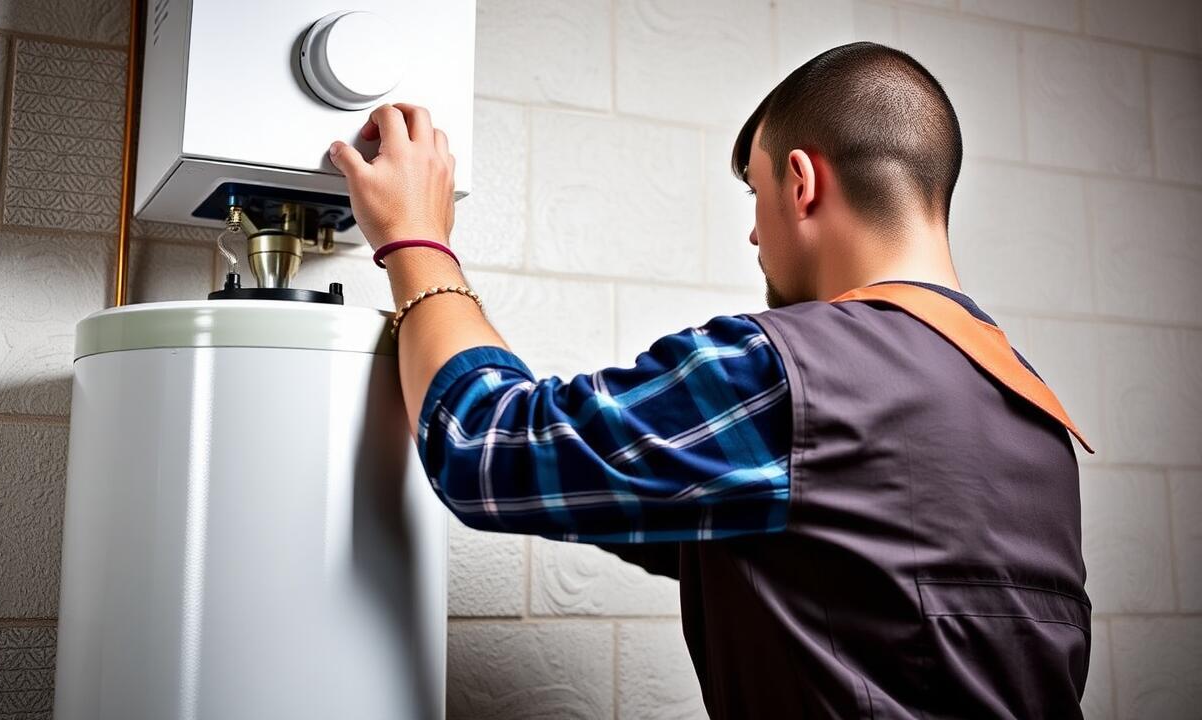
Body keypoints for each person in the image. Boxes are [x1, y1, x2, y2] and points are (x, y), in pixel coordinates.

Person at [327, 41, 1093, 719]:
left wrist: (414, 238)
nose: (755, 232)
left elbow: (487, 443)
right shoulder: (1033, 415)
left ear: (801, 183)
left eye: (755, 194)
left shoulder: (787, 373)